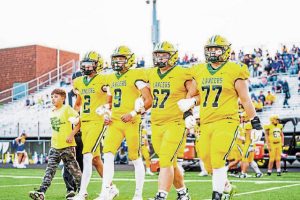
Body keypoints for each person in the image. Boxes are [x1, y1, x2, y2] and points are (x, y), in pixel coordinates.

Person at [178, 35, 263, 200]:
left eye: (216, 49)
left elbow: (245, 99)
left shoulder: (234, 70)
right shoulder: (200, 70)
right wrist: (188, 113)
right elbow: (192, 94)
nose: (212, 52)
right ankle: (227, 187)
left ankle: (216, 195)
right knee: (206, 160)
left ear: (226, 50)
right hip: (206, 121)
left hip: (227, 121)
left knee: (217, 157)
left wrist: (255, 122)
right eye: (209, 49)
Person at [96, 46, 152, 200]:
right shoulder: (111, 78)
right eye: (115, 59)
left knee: (135, 157)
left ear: (129, 60)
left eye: (121, 58)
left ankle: (138, 194)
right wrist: (106, 114)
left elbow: (149, 100)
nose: (117, 62)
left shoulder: (136, 75)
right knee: (107, 154)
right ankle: (106, 192)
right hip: (115, 122)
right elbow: (109, 103)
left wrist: (133, 113)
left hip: (132, 121)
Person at [147, 41, 195, 200]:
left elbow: (197, 94)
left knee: (165, 160)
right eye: (158, 54)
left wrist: (189, 110)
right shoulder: (152, 73)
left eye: (164, 55)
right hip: (156, 123)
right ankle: (183, 194)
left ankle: (161, 195)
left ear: (173, 56)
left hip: (175, 123)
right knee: (171, 163)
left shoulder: (183, 73)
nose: (160, 58)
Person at [71, 51, 119, 200]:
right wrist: (74, 114)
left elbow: (113, 95)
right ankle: (111, 188)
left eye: (89, 64)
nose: (86, 67)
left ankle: (82, 192)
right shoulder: (79, 81)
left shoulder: (103, 80)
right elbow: (79, 102)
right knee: (95, 160)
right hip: (84, 123)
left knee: (87, 155)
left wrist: (107, 109)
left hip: (97, 122)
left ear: (97, 65)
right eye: (84, 64)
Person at [29, 88, 82, 200]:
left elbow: (79, 122)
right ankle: (41, 192)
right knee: (50, 170)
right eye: (52, 97)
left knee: (74, 170)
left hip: (67, 146)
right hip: (54, 146)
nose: (53, 99)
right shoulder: (52, 111)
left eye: (56, 96)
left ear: (63, 98)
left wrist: (71, 134)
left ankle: (82, 191)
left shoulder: (67, 109)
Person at [239, 112, 263, 178]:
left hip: (248, 144)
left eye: (243, 117)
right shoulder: (250, 124)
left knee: (244, 159)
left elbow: (250, 136)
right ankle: (258, 172)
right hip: (251, 144)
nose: (242, 118)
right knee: (250, 160)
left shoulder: (248, 125)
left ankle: (243, 173)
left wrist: (239, 137)